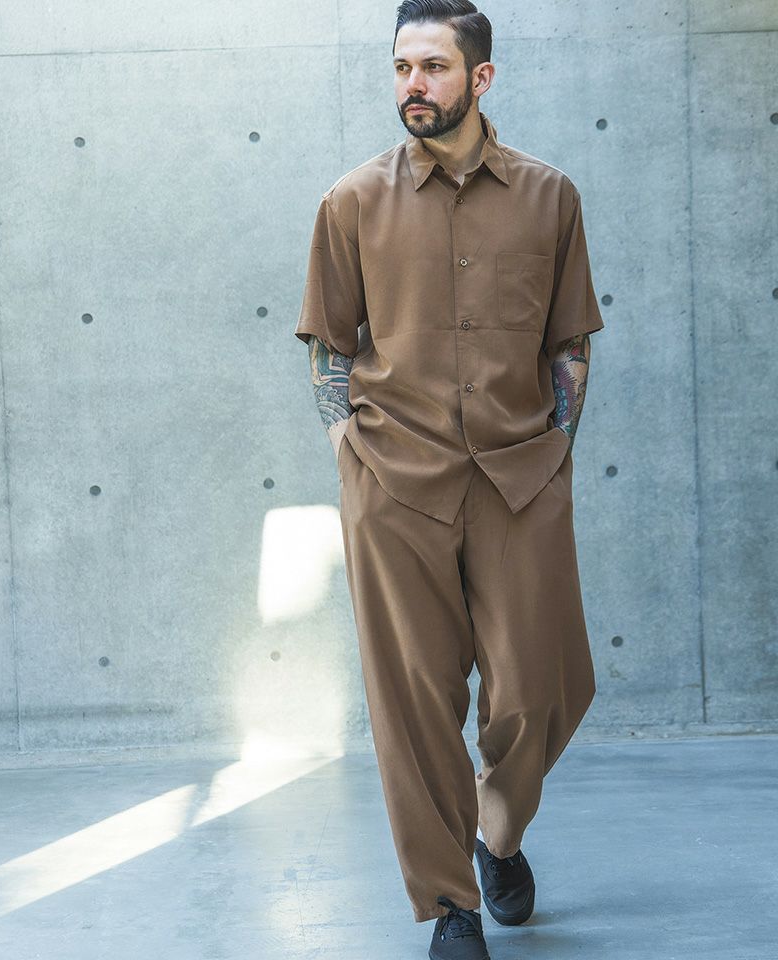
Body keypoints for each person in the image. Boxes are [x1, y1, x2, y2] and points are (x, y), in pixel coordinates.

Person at [294, 2, 605, 957]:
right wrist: (349, 452)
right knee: (415, 701)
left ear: (480, 77)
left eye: (432, 67)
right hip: (395, 481)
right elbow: (328, 346)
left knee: (543, 689)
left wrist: (555, 452)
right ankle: (448, 907)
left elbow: (570, 343)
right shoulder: (352, 201)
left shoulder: (550, 197)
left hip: (519, 479)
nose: (413, 85)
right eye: (401, 67)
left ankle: (496, 835)